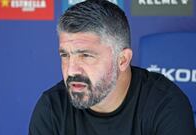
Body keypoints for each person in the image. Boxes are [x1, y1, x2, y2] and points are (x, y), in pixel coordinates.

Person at [28, 0, 195, 135]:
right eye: (65, 55)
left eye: (86, 55)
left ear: (122, 60)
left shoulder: (165, 105)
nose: (71, 70)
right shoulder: (52, 108)